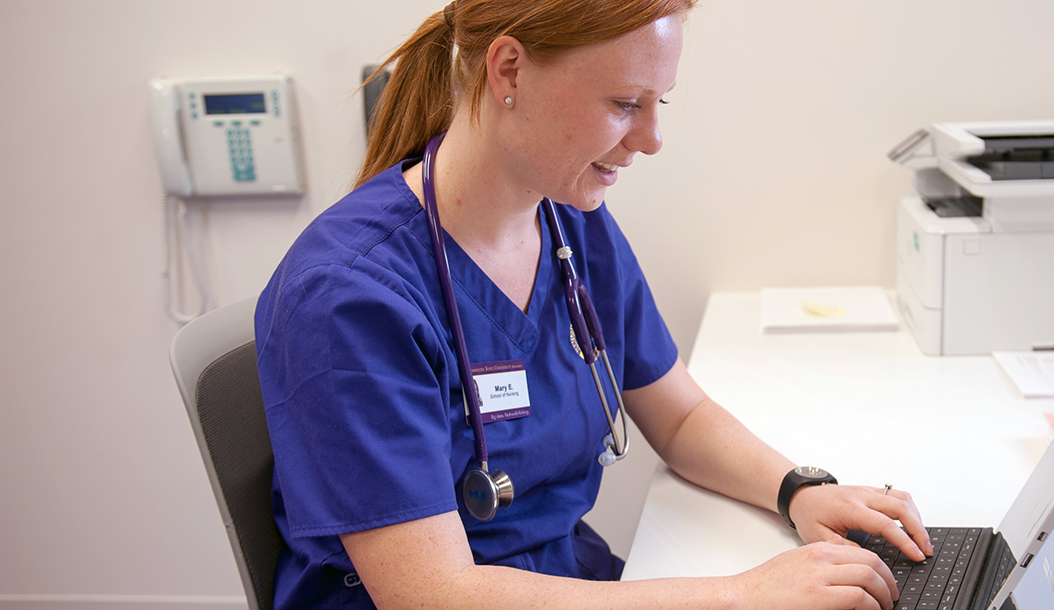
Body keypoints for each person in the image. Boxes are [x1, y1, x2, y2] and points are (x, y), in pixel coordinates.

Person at [255, 1, 931, 608]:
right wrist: (738, 596)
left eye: (659, 101)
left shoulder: (569, 224)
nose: (651, 138)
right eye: (624, 103)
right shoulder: (351, 297)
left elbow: (681, 415)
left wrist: (799, 490)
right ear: (510, 71)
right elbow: (432, 593)